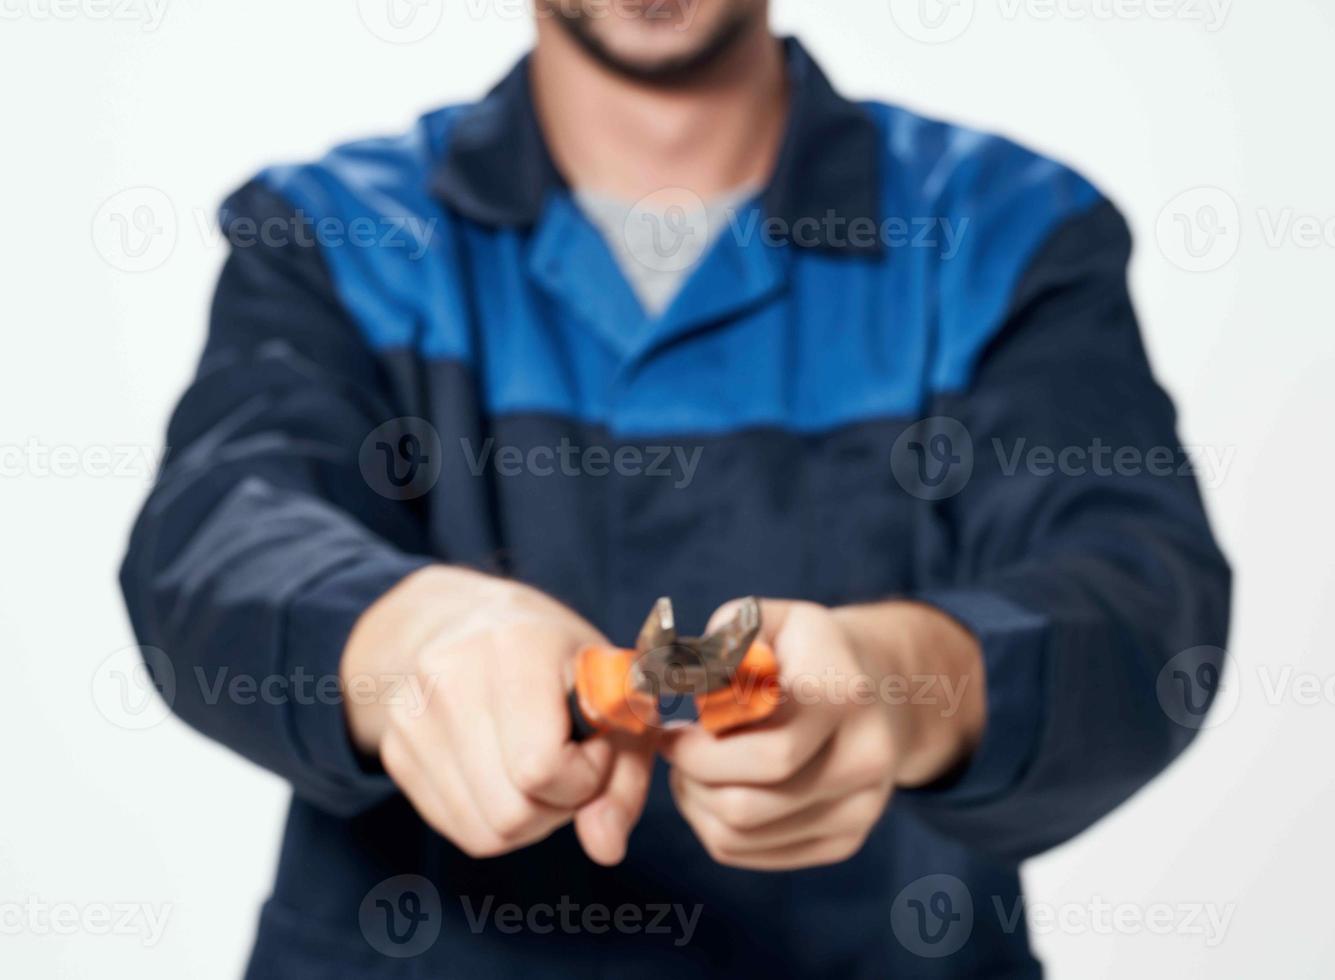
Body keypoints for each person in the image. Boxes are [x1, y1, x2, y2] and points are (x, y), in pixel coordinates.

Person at [120, 1, 1231, 975]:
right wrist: (413, 637)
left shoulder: (1001, 230)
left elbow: (1136, 591)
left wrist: (900, 679)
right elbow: (213, 532)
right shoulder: (335, 234)